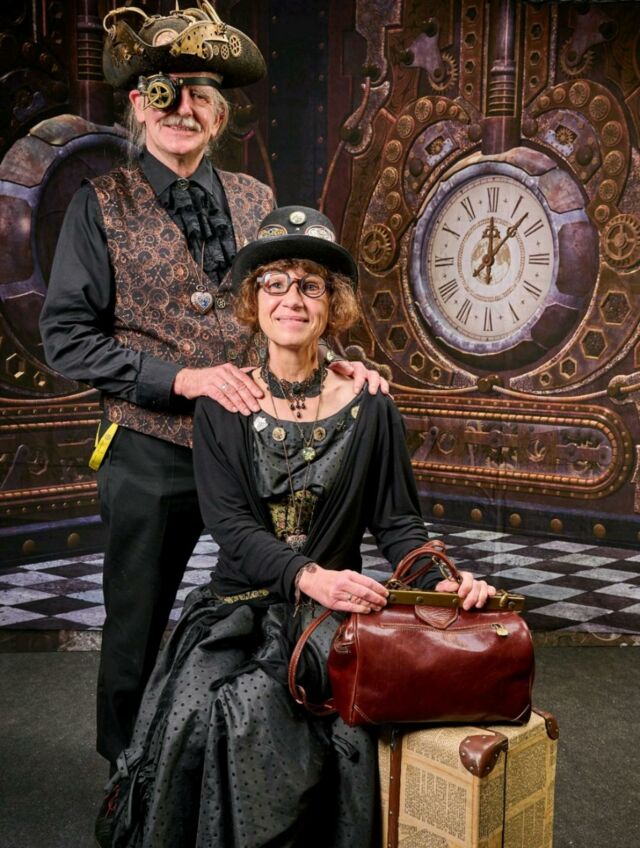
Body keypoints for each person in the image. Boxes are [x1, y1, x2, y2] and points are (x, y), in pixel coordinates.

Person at [38, 2, 383, 767]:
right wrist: (182, 378)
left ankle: (259, 760)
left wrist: (339, 361)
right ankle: (127, 772)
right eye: (165, 93)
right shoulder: (100, 204)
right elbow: (65, 338)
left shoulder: (257, 199)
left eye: (199, 94)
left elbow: (292, 304)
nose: (182, 109)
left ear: (220, 114)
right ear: (139, 105)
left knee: (269, 604)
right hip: (148, 449)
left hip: (254, 444)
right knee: (136, 624)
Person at [95, 206, 496, 848]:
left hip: (336, 616)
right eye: (274, 284)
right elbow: (231, 527)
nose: (292, 299)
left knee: (343, 721)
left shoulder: (371, 405)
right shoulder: (224, 402)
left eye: (310, 285)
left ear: (332, 304)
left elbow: (398, 523)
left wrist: (440, 581)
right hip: (239, 609)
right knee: (220, 709)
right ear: (253, 302)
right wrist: (309, 577)